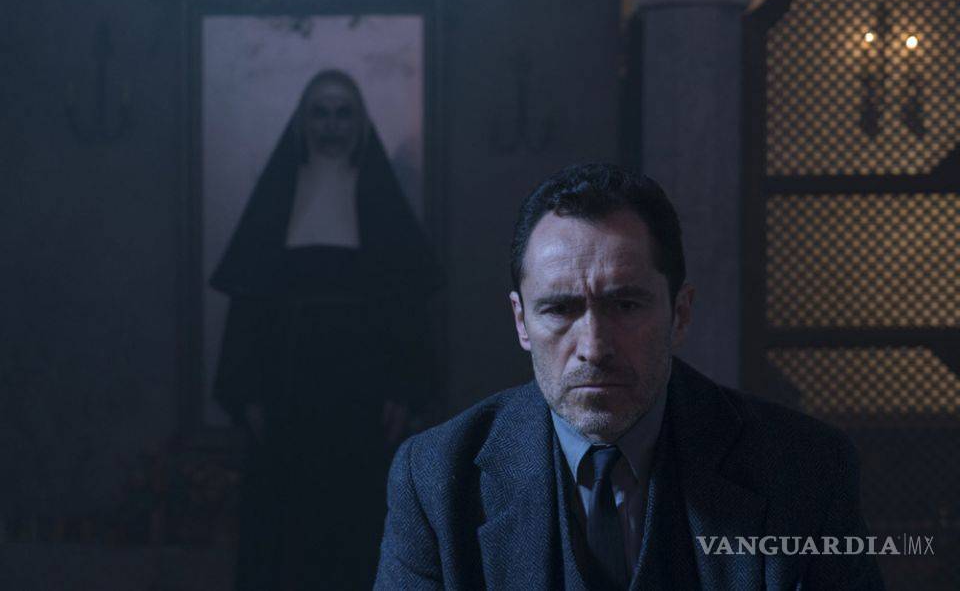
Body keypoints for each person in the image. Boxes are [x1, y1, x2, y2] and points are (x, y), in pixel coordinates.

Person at [375, 164, 884, 590]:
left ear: (680, 313)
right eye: (559, 309)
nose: (594, 348)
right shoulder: (437, 480)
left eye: (626, 305)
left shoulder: (803, 469)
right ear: (521, 321)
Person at [211, 69, 440, 590]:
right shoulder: (277, 201)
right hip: (285, 387)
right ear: (303, 123)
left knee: (357, 522)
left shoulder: (379, 203)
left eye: (343, 113)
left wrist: (404, 388)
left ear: (359, 124)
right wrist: (246, 393)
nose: (332, 125)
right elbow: (248, 304)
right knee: (283, 526)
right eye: (320, 113)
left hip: (362, 392)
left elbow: (406, 304)